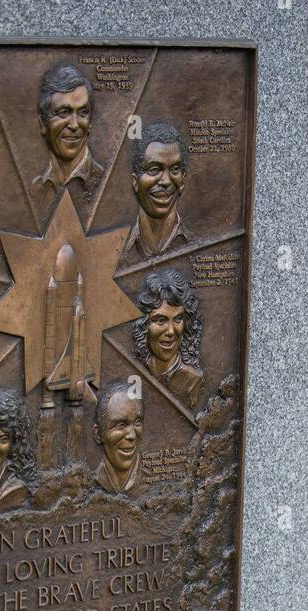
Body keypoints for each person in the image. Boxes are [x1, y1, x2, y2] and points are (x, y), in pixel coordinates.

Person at [132, 269, 204, 412]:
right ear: (144, 324)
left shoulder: (192, 380)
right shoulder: (136, 372)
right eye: (160, 320)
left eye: (178, 319)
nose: (171, 331)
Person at [121, 121, 191, 265]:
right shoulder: (116, 251)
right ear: (135, 181)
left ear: (183, 181)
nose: (165, 181)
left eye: (174, 169)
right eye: (154, 169)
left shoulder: (196, 245)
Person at [33, 64, 103, 200]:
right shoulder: (36, 188)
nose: (74, 125)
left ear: (90, 123)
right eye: (64, 112)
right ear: (43, 123)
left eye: (83, 113)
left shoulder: (105, 181)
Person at [92, 379, 144, 494]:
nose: (132, 435)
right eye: (121, 425)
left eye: (138, 423)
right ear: (98, 434)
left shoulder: (155, 478)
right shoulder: (86, 483)